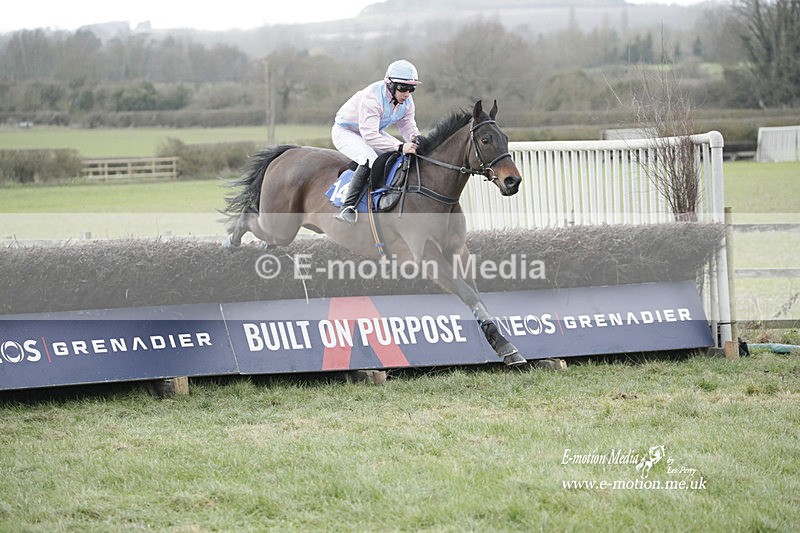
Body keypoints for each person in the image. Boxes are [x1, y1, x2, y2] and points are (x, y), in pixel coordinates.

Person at [331, 59, 422, 224]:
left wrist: (417, 140)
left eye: (412, 88)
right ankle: (348, 207)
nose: (407, 93)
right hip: (346, 132)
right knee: (369, 159)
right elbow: (370, 136)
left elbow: (407, 126)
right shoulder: (372, 97)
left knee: (397, 155)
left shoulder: (407, 102)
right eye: (403, 88)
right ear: (390, 85)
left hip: (372, 131)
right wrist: (401, 146)